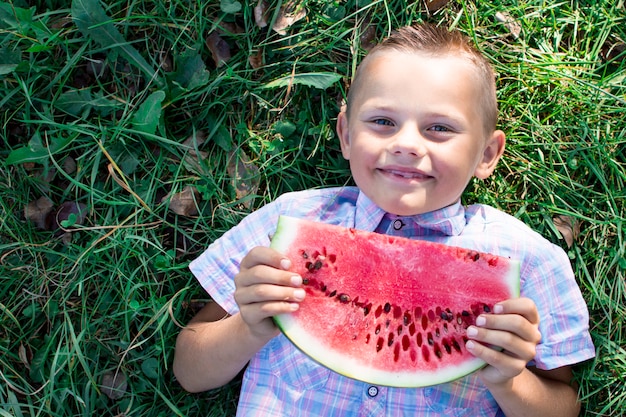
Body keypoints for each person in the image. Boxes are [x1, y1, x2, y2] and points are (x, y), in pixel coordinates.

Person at [173, 23, 595, 416]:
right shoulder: (290, 222)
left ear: (486, 154)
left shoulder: (528, 261)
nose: (407, 143)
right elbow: (190, 371)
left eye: (439, 129)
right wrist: (249, 328)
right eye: (382, 122)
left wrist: (510, 380)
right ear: (346, 135)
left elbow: (563, 404)